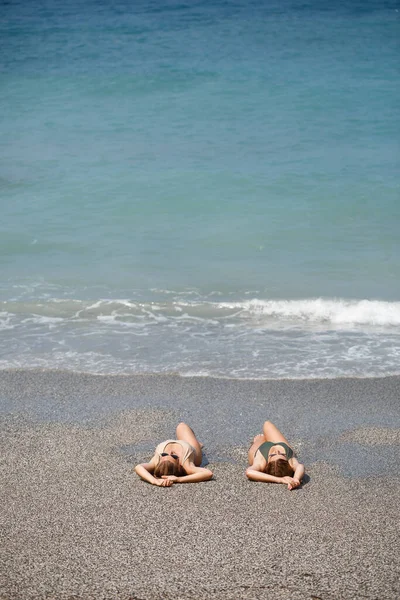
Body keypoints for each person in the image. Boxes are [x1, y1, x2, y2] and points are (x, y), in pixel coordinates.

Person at [134, 422, 213, 487]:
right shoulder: (186, 465)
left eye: (164, 454)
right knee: (182, 426)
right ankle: (198, 445)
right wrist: (179, 479)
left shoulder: (156, 462)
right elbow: (208, 473)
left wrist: (154, 481)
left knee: (180, 425)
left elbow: (138, 467)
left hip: (182, 443)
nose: (170, 453)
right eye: (174, 457)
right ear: (179, 465)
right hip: (191, 447)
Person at [246, 420, 304, 490]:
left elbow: (249, 472)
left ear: (267, 464)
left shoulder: (261, 463)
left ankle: (260, 440)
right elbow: (300, 466)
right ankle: (266, 439)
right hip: (281, 444)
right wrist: (296, 479)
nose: (276, 450)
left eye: (272, 455)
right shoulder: (291, 462)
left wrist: (279, 480)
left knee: (261, 438)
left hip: (261, 449)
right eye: (282, 454)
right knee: (267, 424)